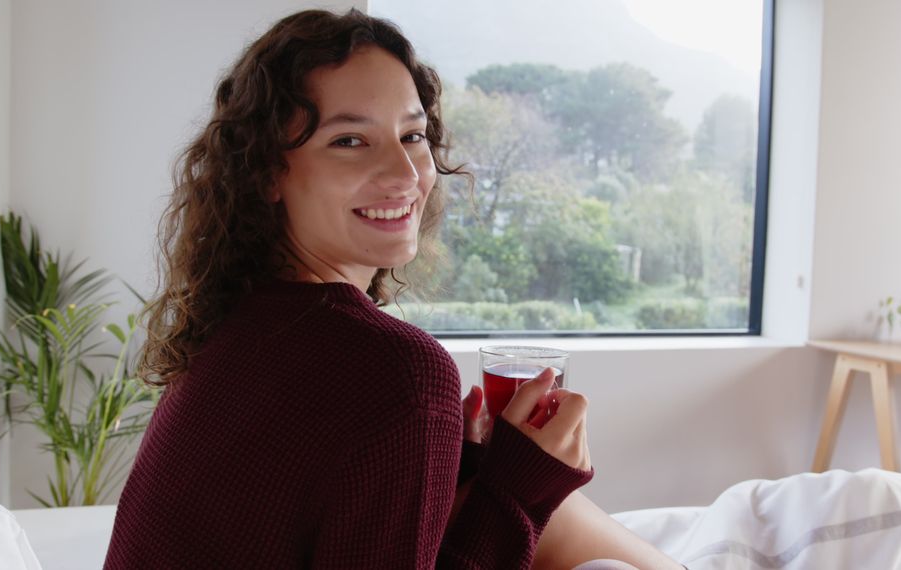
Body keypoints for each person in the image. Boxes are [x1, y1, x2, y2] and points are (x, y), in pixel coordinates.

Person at [105, 9, 681, 570]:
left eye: (412, 135)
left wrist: (466, 468)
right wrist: (521, 495)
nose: (406, 175)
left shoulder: (234, 323)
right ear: (266, 172)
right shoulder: (397, 369)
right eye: (350, 141)